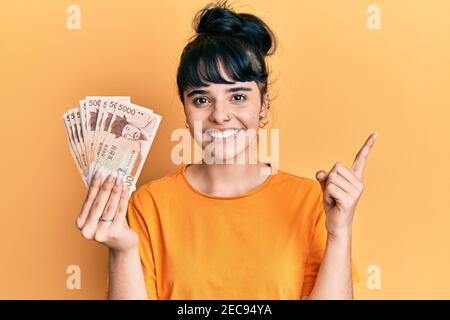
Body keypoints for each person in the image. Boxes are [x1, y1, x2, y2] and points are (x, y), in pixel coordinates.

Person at [76, 0, 377, 300]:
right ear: (185, 108)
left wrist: (339, 233)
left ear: (263, 104)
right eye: (202, 99)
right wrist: (124, 251)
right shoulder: (149, 205)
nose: (219, 115)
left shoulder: (311, 203)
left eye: (237, 96)